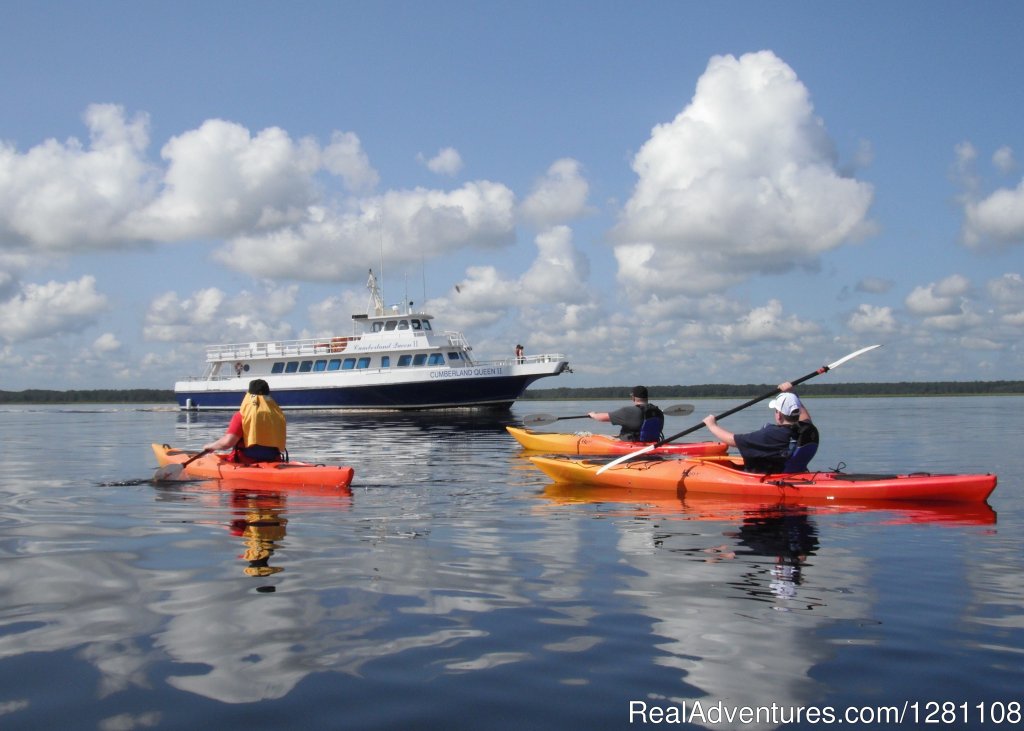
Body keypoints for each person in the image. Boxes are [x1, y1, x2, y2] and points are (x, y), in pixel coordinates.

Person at [702, 383, 818, 473]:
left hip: (772, 476)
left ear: (778, 414)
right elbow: (805, 418)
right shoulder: (808, 430)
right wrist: (792, 394)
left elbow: (732, 441)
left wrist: (712, 425)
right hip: (793, 472)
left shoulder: (771, 435)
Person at [203, 378, 287, 463]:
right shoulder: (278, 415)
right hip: (274, 461)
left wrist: (211, 446)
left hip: (245, 461)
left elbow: (228, 443)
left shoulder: (242, 415)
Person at [588, 385, 664, 442]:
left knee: (601, 436)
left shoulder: (628, 411)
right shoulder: (658, 412)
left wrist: (593, 415)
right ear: (647, 398)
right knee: (614, 435)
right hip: (652, 443)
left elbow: (603, 418)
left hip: (632, 444)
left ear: (633, 398)